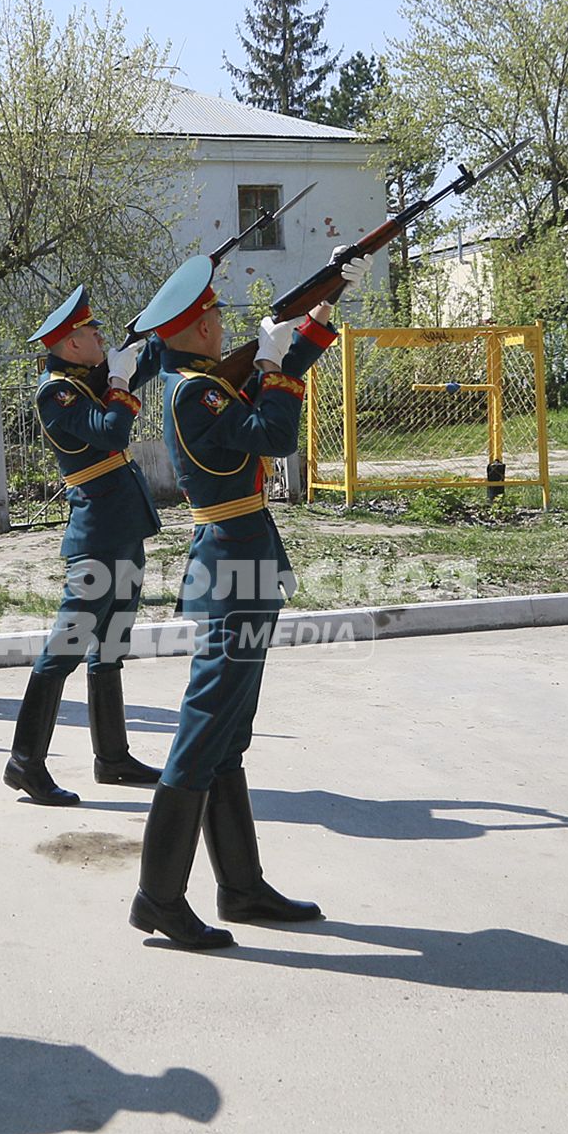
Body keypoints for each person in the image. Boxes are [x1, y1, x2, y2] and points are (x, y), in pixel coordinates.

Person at [124, 252, 368, 950]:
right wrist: (277, 368)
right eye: (212, 316)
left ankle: (240, 886)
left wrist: (322, 310)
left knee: (227, 735)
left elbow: (270, 384)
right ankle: (159, 896)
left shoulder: (203, 381)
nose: (221, 320)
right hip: (232, 570)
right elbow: (276, 433)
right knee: (202, 734)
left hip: (242, 561)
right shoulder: (191, 393)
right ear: (193, 329)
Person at [3, 286, 162, 806]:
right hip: (96, 540)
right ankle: (25, 761)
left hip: (123, 532)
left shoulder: (88, 380)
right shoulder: (58, 394)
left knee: (110, 646)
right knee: (63, 651)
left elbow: (153, 359)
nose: (101, 336)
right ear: (71, 344)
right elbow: (113, 431)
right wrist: (118, 377)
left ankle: (111, 757)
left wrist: (159, 323)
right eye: (92, 332)